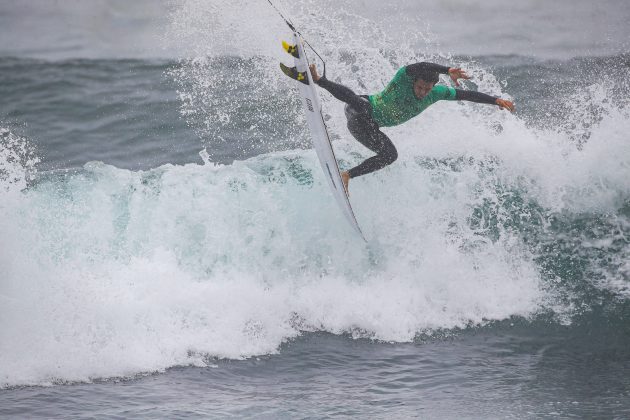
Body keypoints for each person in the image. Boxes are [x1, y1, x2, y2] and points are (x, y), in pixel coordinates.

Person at [309, 62, 515, 193]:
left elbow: (467, 95)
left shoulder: (437, 93)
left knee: (390, 155)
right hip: (356, 112)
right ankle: (319, 80)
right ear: (413, 81)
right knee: (362, 105)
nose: (423, 92)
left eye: (427, 89)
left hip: (368, 129)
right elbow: (422, 65)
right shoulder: (403, 77)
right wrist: (446, 70)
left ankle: (347, 175)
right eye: (420, 87)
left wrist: (496, 100)